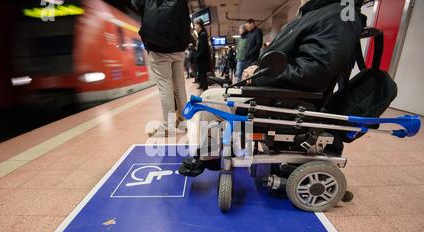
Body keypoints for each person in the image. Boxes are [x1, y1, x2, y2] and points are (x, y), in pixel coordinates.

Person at [180, 0, 365, 176]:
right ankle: (210, 152)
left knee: (208, 99)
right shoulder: (327, 12)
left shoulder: (338, 14)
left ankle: (208, 155)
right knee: (212, 95)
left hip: (287, 101)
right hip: (282, 94)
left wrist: (261, 75)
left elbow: (314, 71)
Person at [132, 0, 191, 137]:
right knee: (179, 85)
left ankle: (168, 127)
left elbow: (136, 4)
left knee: (165, 86)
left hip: (158, 48)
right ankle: (183, 122)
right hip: (178, 48)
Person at [194, 18, 211, 91]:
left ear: (199, 25)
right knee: (202, 75)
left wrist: (197, 56)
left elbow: (204, 49)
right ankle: (203, 87)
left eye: (195, 25)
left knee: (203, 75)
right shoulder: (201, 34)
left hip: (202, 59)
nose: (194, 27)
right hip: (201, 59)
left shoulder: (203, 34)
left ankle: (205, 90)